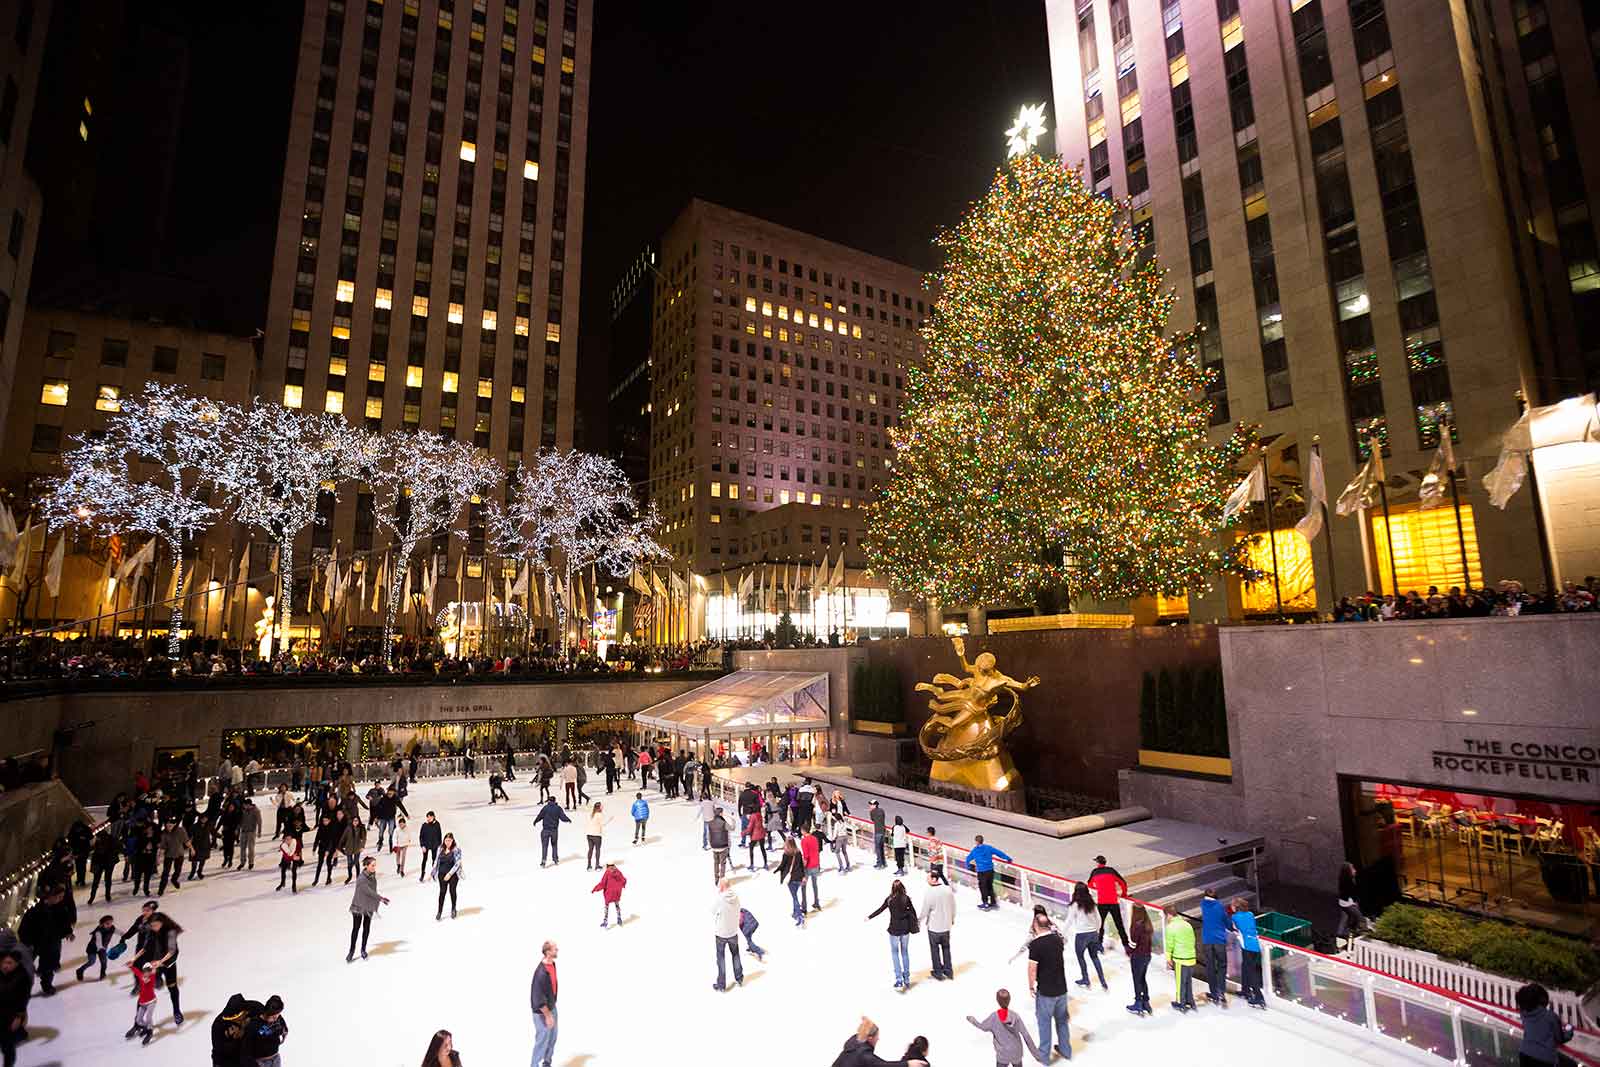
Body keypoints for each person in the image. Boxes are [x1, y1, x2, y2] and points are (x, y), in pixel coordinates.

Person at [1026, 909, 1071, 1061]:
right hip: (1062, 989)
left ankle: (1044, 1056)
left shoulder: (1036, 944)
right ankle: (1066, 1050)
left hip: (1046, 991)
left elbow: (1032, 969)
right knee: (1062, 1021)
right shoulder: (1057, 940)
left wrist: (1031, 986)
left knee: (1044, 1023)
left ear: (1036, 925)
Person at [17, 888, 74, 996]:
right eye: (59, 897)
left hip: (51, 942)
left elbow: (65, 922)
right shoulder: (35, 909)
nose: (61, 899)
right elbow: (24, 928)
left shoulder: (60, 908)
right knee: (25, 966)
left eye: (62, 897)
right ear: (50, 896)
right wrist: (27, 942)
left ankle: (47, 985)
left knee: (49, 966)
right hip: (34, 943)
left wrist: (68, 932)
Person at [968, 988, 1043, 1067]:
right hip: (1016, 1053)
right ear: (1009, 1000)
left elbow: (982, 1027)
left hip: (1002, 1054)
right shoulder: (1015, 1016)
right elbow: (1026, 1035)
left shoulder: (994, 1017)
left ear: (997, 1000)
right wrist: (1037, 1055)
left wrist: (973, 1020)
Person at [868, 878, 919, 991]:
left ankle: (899, 979)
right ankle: (907, 978)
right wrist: (916, 922)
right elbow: (913, 912)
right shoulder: (906, 899)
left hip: (894, 930)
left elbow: (880, 910)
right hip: (905, 929)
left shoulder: (890, 899)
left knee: (895, 953)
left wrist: (869, 917)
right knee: (905, 952)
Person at [133, 911, 183, 1025]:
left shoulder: (171, 932)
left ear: (162, 923)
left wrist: (160, 962)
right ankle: (137, 1021)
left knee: (172, 988)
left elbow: (172, 951)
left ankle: (177, 1011)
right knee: (144, 990)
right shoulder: (151, 931)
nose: (153, 928)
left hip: (167, 964)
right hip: (153, 963)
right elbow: (145, 947)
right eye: (152, 925)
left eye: (155, 925)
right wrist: (135, 958)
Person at [829, 1017, 929, 1067]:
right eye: (877, 1037)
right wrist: (908, 1064)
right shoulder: (864, 1055)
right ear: (870, 1038)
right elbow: (883, 1065)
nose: (878, 1039)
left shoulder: (854, 1040)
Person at [1516, 982, 1575, 1067]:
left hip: (1524, 1054)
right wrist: (1569, 1030)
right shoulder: (1551, 1016)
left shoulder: (1523, 1014)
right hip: (1544, 1059)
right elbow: (1560, 1039)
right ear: (1542, 999)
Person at [348, 855, 389, 961]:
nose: (374, 867)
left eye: (375, 865)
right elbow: (369, 892)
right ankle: (351, 951)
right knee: (356, 929)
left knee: (366, 928)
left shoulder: (372, 876)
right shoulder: (361, 879)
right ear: (366, 866)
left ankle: (363, 949)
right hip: (358, 905)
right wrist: (381, 898)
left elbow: (373, 891)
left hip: (368, 906)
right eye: (372, 865)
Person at [1085, 855, 1130, 951]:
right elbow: (1123, 882)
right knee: (1119, 924)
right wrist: (1124, 894)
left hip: (1102, 902)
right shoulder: (1111, 871)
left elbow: (1089, 885)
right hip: (1113, 901)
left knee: (1100, 925)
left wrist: (1099, 888)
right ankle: (1126, 945)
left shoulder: (1094, 872)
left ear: (1097, 863)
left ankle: (1099, 945)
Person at [1067, 883, 1108, 991]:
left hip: (1081, 935)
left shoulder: (1074, 905)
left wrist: (1062, 934)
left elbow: (1069, 920)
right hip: (1093, 934)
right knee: (1095, 957)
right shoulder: (1092, 904)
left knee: (1081, 957)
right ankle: (1103, 982)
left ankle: (1085, 979)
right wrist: (1097, 931)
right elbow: (1099, 919)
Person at [920, 870, 956, 981]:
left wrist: (919, 919)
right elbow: (953, 906)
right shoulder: (947, 889)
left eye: (929, 878)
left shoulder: (929, 892)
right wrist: (952, 919)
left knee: (934, 950)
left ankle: (938, 972)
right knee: (946, 949)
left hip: (934, 927)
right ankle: (948, 971)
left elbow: (925, 910)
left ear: (934, 879)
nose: (927, 880)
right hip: (946, 926)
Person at [1199, 887, 1231, 1007]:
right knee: (1222, 965)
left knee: (1210, 966)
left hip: (1207, 940)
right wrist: (1232, 927)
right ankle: (1221, 991)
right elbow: (1226, 921)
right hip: (1219, 940)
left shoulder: (1202, 904)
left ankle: (1213, 992)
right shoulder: (1219, 906)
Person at [1230, 897, 1264, 1008]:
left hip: (1247, 947)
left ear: (1236, 907)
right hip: (1255, 945)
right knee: (1245, 966)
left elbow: (1234, 928)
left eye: (1232, 906)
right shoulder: (1250, 914)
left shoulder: (1235, 917)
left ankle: (1259, 998)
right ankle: (1245, 990)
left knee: (1251, 972)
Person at [711, 877, 745, 991]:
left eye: (719, 885)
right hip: (733, 932)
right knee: (735, 954)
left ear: (722, 886)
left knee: (721, 958)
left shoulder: (720, 898)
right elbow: (739, 910)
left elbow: (712, 910)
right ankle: (739, 978)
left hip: (721, 933)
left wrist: (718, 895)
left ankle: (721, 985)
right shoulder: (736, 896)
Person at [530, 941, 559, 1067]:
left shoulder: (552, 964)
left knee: (552, 1038)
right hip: (542, 1012)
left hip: (552, 1007)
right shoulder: (540, 973)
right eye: (554, 949)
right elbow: (537, 999)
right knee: (542, 1040)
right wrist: (548, 1016)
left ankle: (547, 1063)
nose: (557, 950)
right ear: (548, 952)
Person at [965, 834, 1011, 911]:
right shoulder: (988, 848)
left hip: (982, 872)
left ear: (976, 842)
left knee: (983, 887)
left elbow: (968, 859)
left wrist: (969, 866)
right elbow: (999, 853)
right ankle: (993, 902)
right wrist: (1008, 858)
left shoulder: (975, 850)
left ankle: (985, 903)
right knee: (989, 886)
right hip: (990, 870)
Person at [1165, 905, 1197, 1012]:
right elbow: (1193, 939)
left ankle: (1180, 1003)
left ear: (1169, 915)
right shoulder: (1187, 924)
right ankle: (1190, 1001)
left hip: (1180, 959)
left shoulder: (1171, 927)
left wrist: (1168, 959)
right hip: (1191, 957)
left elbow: (1170, 945)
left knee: (1180, 982)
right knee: (1188, 981)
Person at [0, 951, 29, 1067]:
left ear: (17, 964)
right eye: (3, 963)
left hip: (10, 1015)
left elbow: (23, 999)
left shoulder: (22, 977)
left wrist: (18, 1016)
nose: (5, 965)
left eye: (9, 963)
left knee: (7, 1046)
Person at [1125, 904, 1154, 1016]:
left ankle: (1138, 1003)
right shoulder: (1148, 924)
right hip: (1147, 956)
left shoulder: (1136, 926)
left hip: (1138, 957)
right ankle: (1146, 1002)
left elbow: (1133, 944)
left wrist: (1128, 951)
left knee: (1137, 979)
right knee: (1142, 978)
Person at [246, 994, 288, 1067]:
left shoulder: (278, 1018)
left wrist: (284, 1032)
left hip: (276, 1058)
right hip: (261, 1062)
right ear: (267, 1012)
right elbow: (246, 1048)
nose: (276, 1017)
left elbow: (283, 1027)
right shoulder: (254, 1024)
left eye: (277, 1014)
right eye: (273, 1015)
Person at [1336, 861, 1371, 948]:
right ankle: (1365, 934)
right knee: (1360, 918)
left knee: (1345, 919)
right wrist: (1354, 903)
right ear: (1348, 871)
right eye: (1352, 869)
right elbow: (1349, 894)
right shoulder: (1347, 881)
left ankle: (1340, 934)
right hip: (1348, 903)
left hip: (1344, 903)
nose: (1355, 871)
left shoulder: (1346, 879)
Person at [75, 914, 117, 982]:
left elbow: (118, 932)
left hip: (102, 949)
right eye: (107, 923)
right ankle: (80, 970)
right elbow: (98, 941)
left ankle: (102, 974)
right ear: (102, 924)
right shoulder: (98, 931)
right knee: (92, 961)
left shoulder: (112, 928)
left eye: (111, 923)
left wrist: (125, 936)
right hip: (93, 948)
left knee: (104, 962)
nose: (109, 925)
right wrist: (101, 948)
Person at [213, 993, 252, 1066]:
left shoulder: (254, 1007)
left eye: (234, 1018)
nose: (233, 1020)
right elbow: (220, 1050)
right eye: (230, 1018)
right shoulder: (218, 1025)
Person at [126, 961, 159, 1045]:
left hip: (151, 1002)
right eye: (145, 971)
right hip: (142, 1003)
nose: (146, 973)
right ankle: (146, 1028)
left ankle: (150, 1032)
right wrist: (131, 966)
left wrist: (154, 967)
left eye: (148, 971)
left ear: (150, 972)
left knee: (148, 1017)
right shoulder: (141, 976)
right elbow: (136, 972)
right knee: (138, 1020)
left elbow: (153, 971)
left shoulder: (152, 977)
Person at [777, 837, 808, 926]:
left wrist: (778, 870)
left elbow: (783, 865)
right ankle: (795, 913)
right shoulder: (798, 852)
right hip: (799, 877)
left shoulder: (786, 854)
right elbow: (802, 866)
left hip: (791, 878)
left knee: (795, 897)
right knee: (795, 896)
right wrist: (803, 877)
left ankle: (799, 917)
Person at [535, 795, 572, 867]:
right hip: (554, 830)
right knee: (554, 845)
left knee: (544, 846)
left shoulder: (545, 808)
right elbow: (562, 817)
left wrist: (535, 821)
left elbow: (540, 816)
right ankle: (555, 859)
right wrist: (568, 819)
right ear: (555, 801)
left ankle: (543, 861)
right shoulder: (558, 808)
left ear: (549, 801)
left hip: (545, 830)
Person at [158, 818, 192, 895]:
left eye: (171, 824)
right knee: (165, 873)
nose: (169, 826)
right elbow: (163, 847)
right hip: (169, 855)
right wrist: (159, 857)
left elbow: (186, 841)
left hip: (179, 854)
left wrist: (192, 849)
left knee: (178, 870)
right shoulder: (164, 833)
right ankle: (161, 889)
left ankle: (174, 880)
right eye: (167, 824)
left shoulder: (181, 830)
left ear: (175, 824)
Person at [434, 832, 463, 920]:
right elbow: (436, 861)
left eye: (449, 840)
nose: (447, 842)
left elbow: (458, 863)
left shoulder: (456, 849)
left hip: (453, 875)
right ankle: (439, 911)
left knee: (452, 891)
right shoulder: (440, 848)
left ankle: (453, 909)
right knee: (442, 892)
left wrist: (450, 874)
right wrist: (433, 872)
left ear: (452, 841)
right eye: (446, 840)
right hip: (442, 874)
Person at [89, 827, 121, 904]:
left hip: (102, 862)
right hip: (108, 862)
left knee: (96, 881)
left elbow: (94, 851)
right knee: (107, 879)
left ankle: (92, 897)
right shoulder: (111, 839)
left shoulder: (101, 841)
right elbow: (118, 848)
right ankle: (107, 895)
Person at [593, 861, 626, 928]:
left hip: (609, 892)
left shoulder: (607, 872)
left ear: (607, 865)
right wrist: (622, 885)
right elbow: (623, 880)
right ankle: (619, 919)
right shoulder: (618, 872)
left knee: (606, 906)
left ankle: (605, 921)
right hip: (617, 892)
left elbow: (603, 883)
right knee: (617, 905)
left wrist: (595, 889)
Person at [801, 821, 824, 909]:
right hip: (816, 864)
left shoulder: (804, 841)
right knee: (815, 884)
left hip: (808, 866)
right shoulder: (814, 838)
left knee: (803, 886)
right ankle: (816, 902)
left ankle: (804, 907)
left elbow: (806, 856)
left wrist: (803, 867)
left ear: (803, 831)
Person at [707, 805, 733, 882]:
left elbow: (709, 835)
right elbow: (732, 828)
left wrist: (711, 844)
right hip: (723, 846)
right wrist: (732, 820)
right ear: (721, 813)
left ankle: (716, 878)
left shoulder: (710, 823)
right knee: (723, 863)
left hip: (714, 846)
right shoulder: (723, 822)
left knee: (716, 862)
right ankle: (722, 879)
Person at [275, 828, 302, 893]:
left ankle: (294, 885)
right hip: (286, 858)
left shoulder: (295, 842)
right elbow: (287, 856)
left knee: (294, 871)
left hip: (295, 856)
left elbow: (299, 849)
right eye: (287, 839)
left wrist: (298, 857)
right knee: (283, 870)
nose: (288, 841)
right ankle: (282, 883)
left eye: (290, 839)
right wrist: (293, 857)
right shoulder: (283, 846)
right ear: (284, 840)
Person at [419, 811, 443, 882]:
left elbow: (439, 835)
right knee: (424, 860)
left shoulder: (437, 824)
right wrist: (422, 845)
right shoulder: (424, 825)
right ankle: (422, 874)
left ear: (433, 817)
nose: (428, 818)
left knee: (434, 860)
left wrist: (440, 845)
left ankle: (434, 874)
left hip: (434, 845)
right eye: (427, 817)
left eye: (429, 817)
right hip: (426, 845)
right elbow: (421, 836)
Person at [239, 795, 262, 871]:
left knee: (250, 848)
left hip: (251, 832)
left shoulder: (256, 810)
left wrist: (259, 831)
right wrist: (238, 828)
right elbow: (240, 820)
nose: (244, 806)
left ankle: (251, 862)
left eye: (245, 805)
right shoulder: (243, 810)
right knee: (242, 848)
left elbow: (259, 821)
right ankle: (242, 862)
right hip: (243, 831)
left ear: (249, 805)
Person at [585, 802, 607, 870]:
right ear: (599, 807)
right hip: (596, 835)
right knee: (597, 850)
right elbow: (603, 824)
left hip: (589, 834)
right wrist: (610, 819)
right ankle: (597, 865)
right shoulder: (599, 815)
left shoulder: (591, 814)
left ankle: (589, 865)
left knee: (590, 850)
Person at [869, 801, 888, 869]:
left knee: (878, 848)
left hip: (878, 831)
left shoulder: (872, 812)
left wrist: (871, 811)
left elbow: (872, 819)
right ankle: (883, 862)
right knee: (881, 847)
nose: (870, 806)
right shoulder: (882, 810)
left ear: (874, 805)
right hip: (883, 831)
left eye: (871, 804)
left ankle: (879, 863)